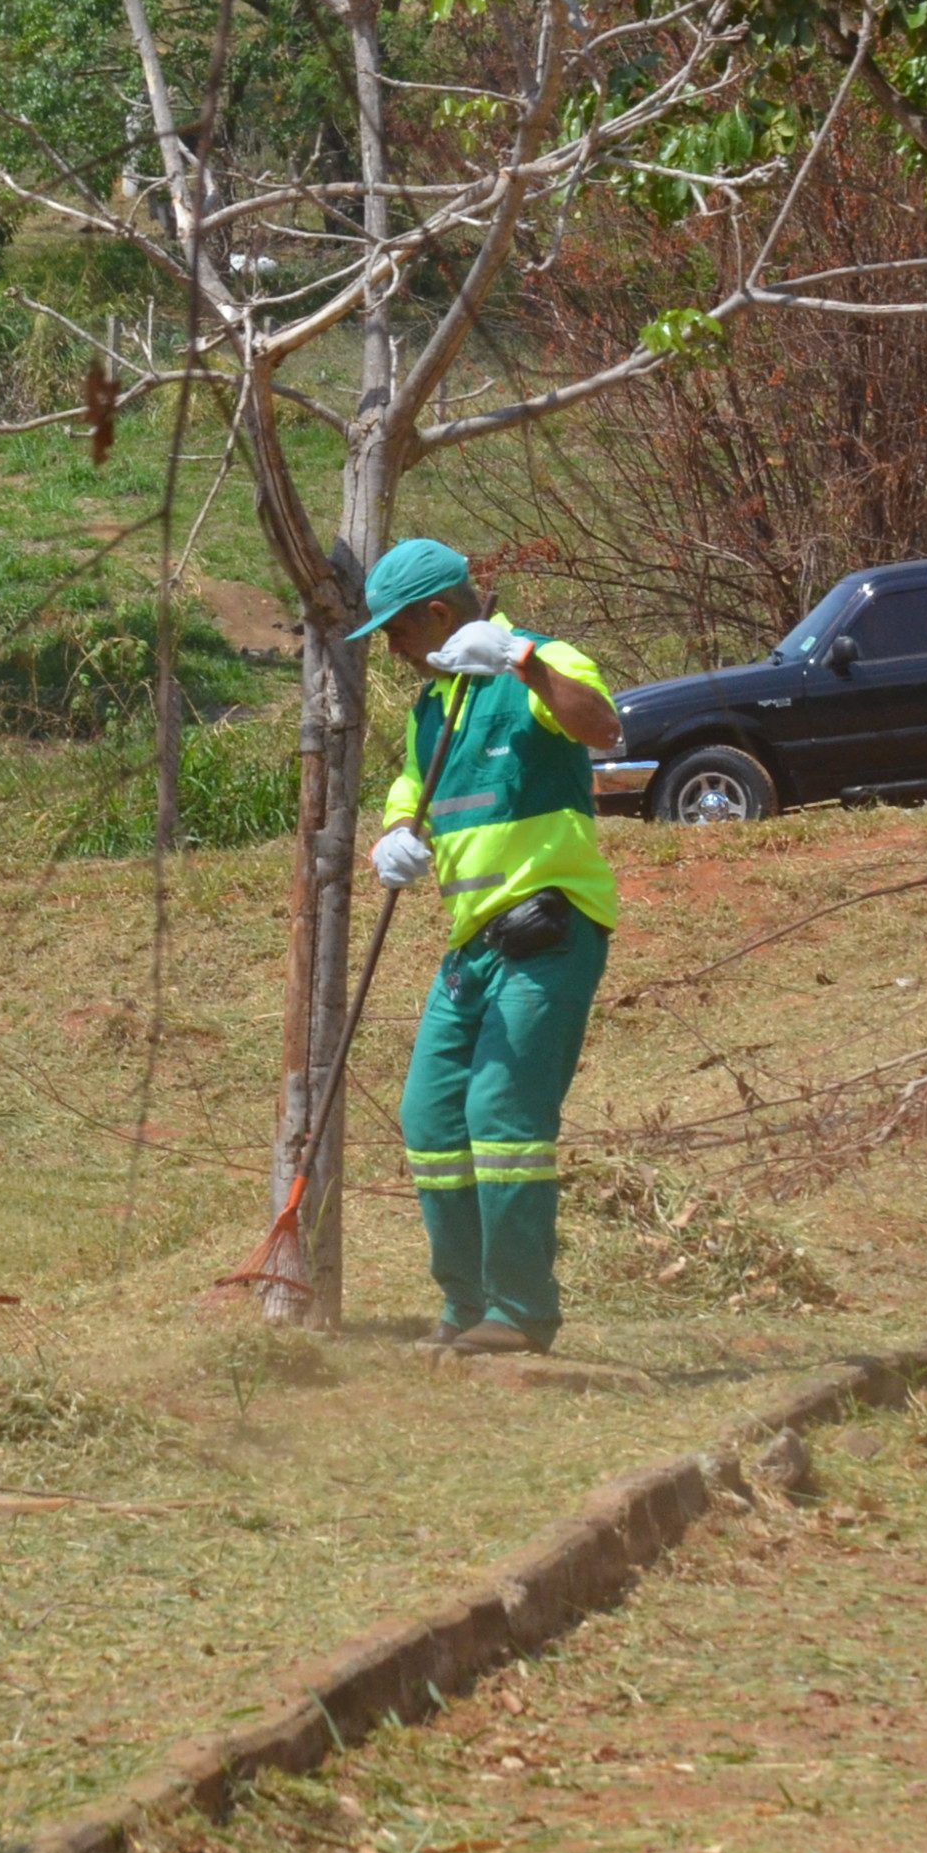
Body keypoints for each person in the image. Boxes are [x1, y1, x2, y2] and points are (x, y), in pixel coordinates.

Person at [360, 538, 624, 1355]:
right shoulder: (431, 709)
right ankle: (467, 1306)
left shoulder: (538, 662)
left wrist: (522, 660)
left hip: (550, 928)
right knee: (430, 1118)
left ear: (438, 616)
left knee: (501, 1115)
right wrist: (399, 829)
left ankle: (519, 1312)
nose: (393, 650)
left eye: (397, 632)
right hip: (471, 944)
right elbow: (415, 784)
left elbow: (603, 729)